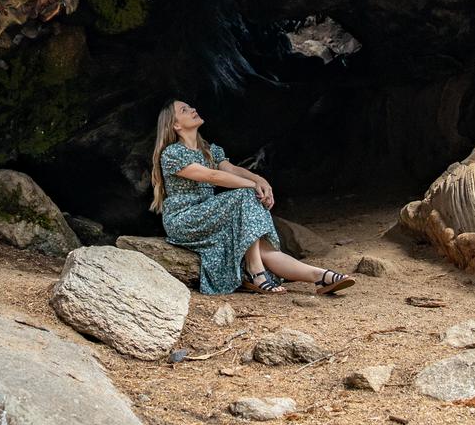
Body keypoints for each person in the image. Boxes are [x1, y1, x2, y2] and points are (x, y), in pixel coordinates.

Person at [151, 99, 356, 297]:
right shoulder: (172, 153)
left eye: (190, 106)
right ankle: (255, 270)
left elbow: (231, 170)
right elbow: (213, 176)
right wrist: (253, 186)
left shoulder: (209, 150)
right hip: (186, 219)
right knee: (246, 194)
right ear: (176, 125)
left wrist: (259, 180)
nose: (192, 109)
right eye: (184, 110)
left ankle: (320, 276)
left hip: (212, 217)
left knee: (264, 249)